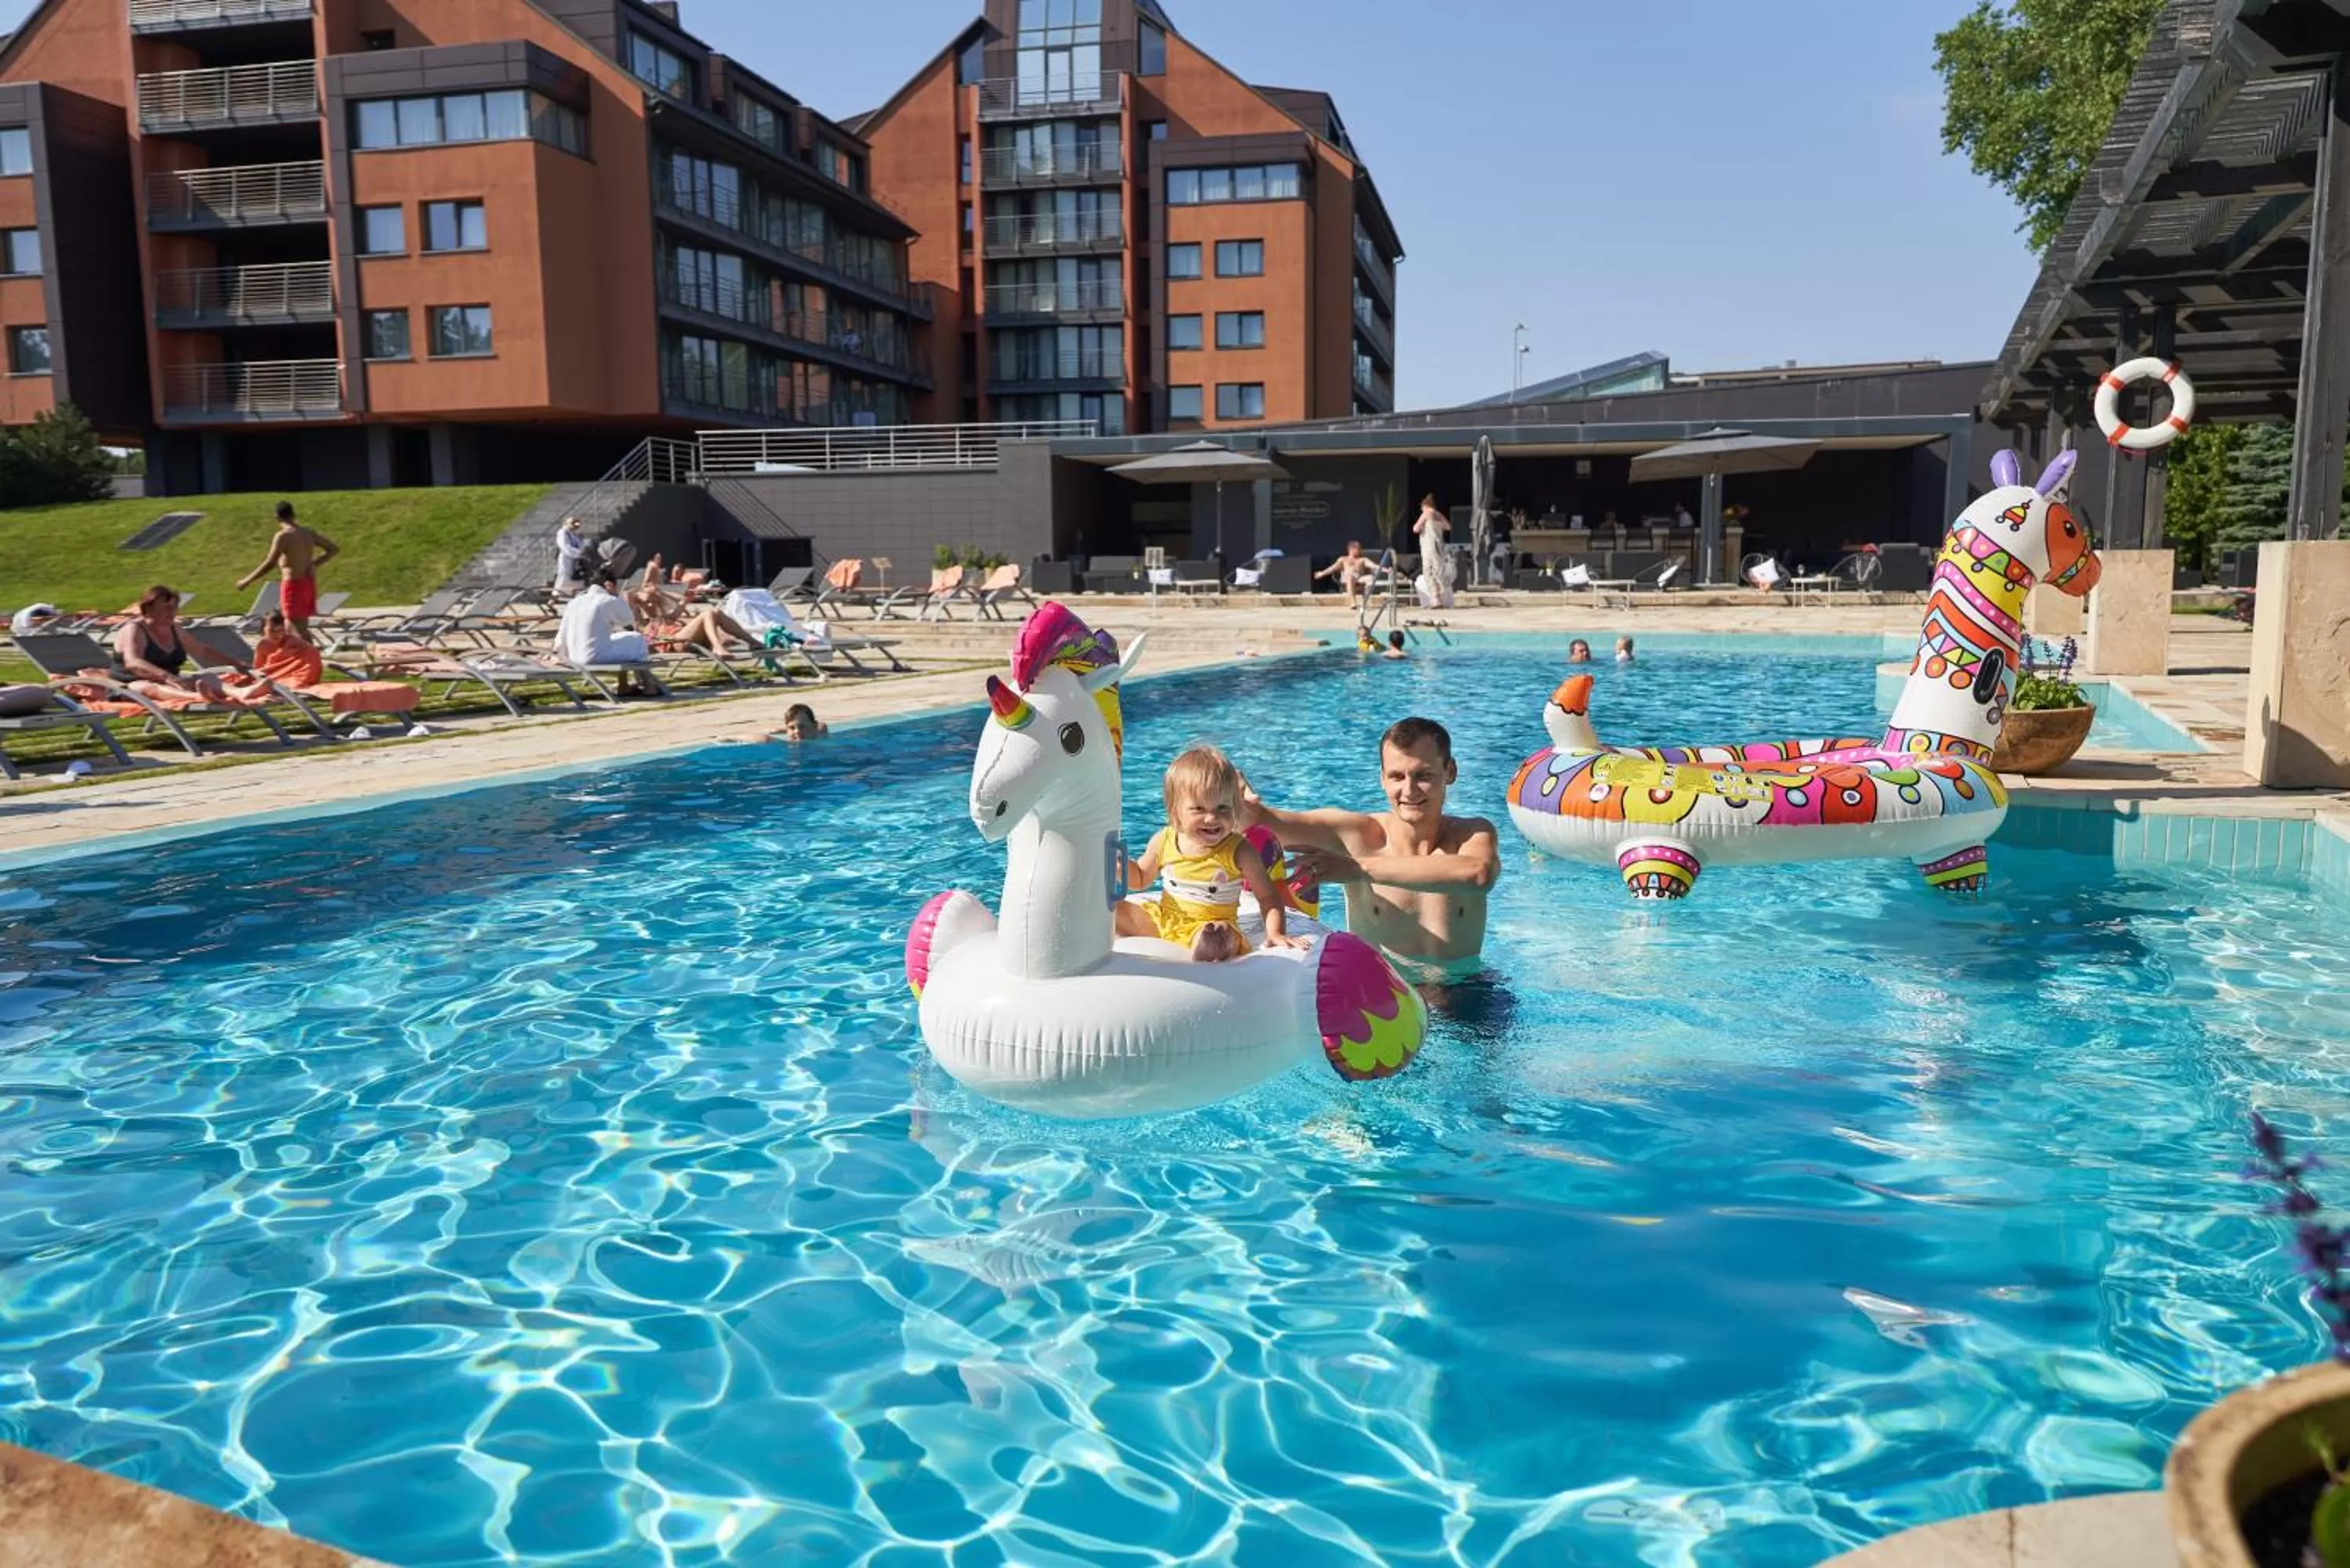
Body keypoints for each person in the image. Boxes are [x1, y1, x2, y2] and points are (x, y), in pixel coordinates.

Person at [1242, 717, 1498, 977]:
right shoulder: (1356, 835)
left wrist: (1358, 868)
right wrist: (1242, 808)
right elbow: (1272, 824)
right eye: (1397, 776)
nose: (1409, 790)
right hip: (1385, 997)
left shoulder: (1470, 834)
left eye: (1423, 775)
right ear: (1382, 779)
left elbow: (1479, 874)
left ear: (1450, 772)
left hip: (1469, 991)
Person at [1116, 746, 1306, 963]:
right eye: (1198, 809)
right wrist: (1120, 867)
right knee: (1114, 911)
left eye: (1223, 808)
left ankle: (1208, 949)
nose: (1211, 818)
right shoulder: (1165, 840)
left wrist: (1275, 933)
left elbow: (1268, 897)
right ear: (1175, 811)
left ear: (1235, 808)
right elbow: (1141, 877)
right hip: (1164, 921)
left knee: (1221, 934)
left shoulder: (1239, 850)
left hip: (1209, 925)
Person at [234, 501, 340, 641]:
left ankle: (310, 659)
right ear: (294, 515)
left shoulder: (283, 536)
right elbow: (333, 549)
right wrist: (314, 564)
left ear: (276, 517)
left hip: (293, 586)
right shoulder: (307, 533)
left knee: (295, 629)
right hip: (308, 584)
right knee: (298, 626)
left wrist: (247, 580)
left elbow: (270, 563)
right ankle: (304, 658)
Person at [110, 585, 230, 703]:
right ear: (148, 609)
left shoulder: (174, 628)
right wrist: (167, 677)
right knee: (149, 687)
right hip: (128, 686)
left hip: (169, 682)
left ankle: (240, 693)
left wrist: (237, 664)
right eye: (165, 607)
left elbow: (202, 650)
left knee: (208, 677)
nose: (171, 612)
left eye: (174, 607)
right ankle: (198, 697)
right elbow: (133, 662)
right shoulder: (134, 629)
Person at [555, 569, 649, 667]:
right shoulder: (607, 600)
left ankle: (632, 679)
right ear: (609, 585)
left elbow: (562, 633)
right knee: (638, 639)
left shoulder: (574, 602)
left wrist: (561, 655)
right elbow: (628, 620)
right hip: (595, 657)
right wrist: (618, 597)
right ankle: (644, 677)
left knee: (617, 637)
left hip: (573, 658)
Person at [1412, 495, 1455, 609]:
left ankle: (1435, 598)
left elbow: (1415, 528)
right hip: (1439, 545)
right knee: (1439, 569)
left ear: (1425, 506)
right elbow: (1448, 527)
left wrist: (1422, 528)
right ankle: (1440, 596)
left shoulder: (1426, 513)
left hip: (1429, 545)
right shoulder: (1439, 514)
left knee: (1429, 570)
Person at [1316, 540, 1378, 616]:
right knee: (1350, 576)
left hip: (1360, 578)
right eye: (1358, 548)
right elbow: (1332, 568)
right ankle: (1353, 602)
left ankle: (1365, 601)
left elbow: (1374, 566)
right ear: (1351, 549)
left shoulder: (1363, 559)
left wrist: (1385, 569)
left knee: (1371, 578)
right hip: (1347, 579)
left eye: (1360, 548)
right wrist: (1322, 573)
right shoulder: (1343, 559)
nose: (1360, 550)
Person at [553, 515, 588, 594]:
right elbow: (564, 546)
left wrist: (582, 552)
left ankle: (575, 595)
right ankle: (554, 598)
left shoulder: (575, 535)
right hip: (566, 559)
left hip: (576, 561)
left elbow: (581, 545)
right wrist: (578, 553)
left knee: (577, 579)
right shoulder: (562, 532)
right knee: (564, 578)